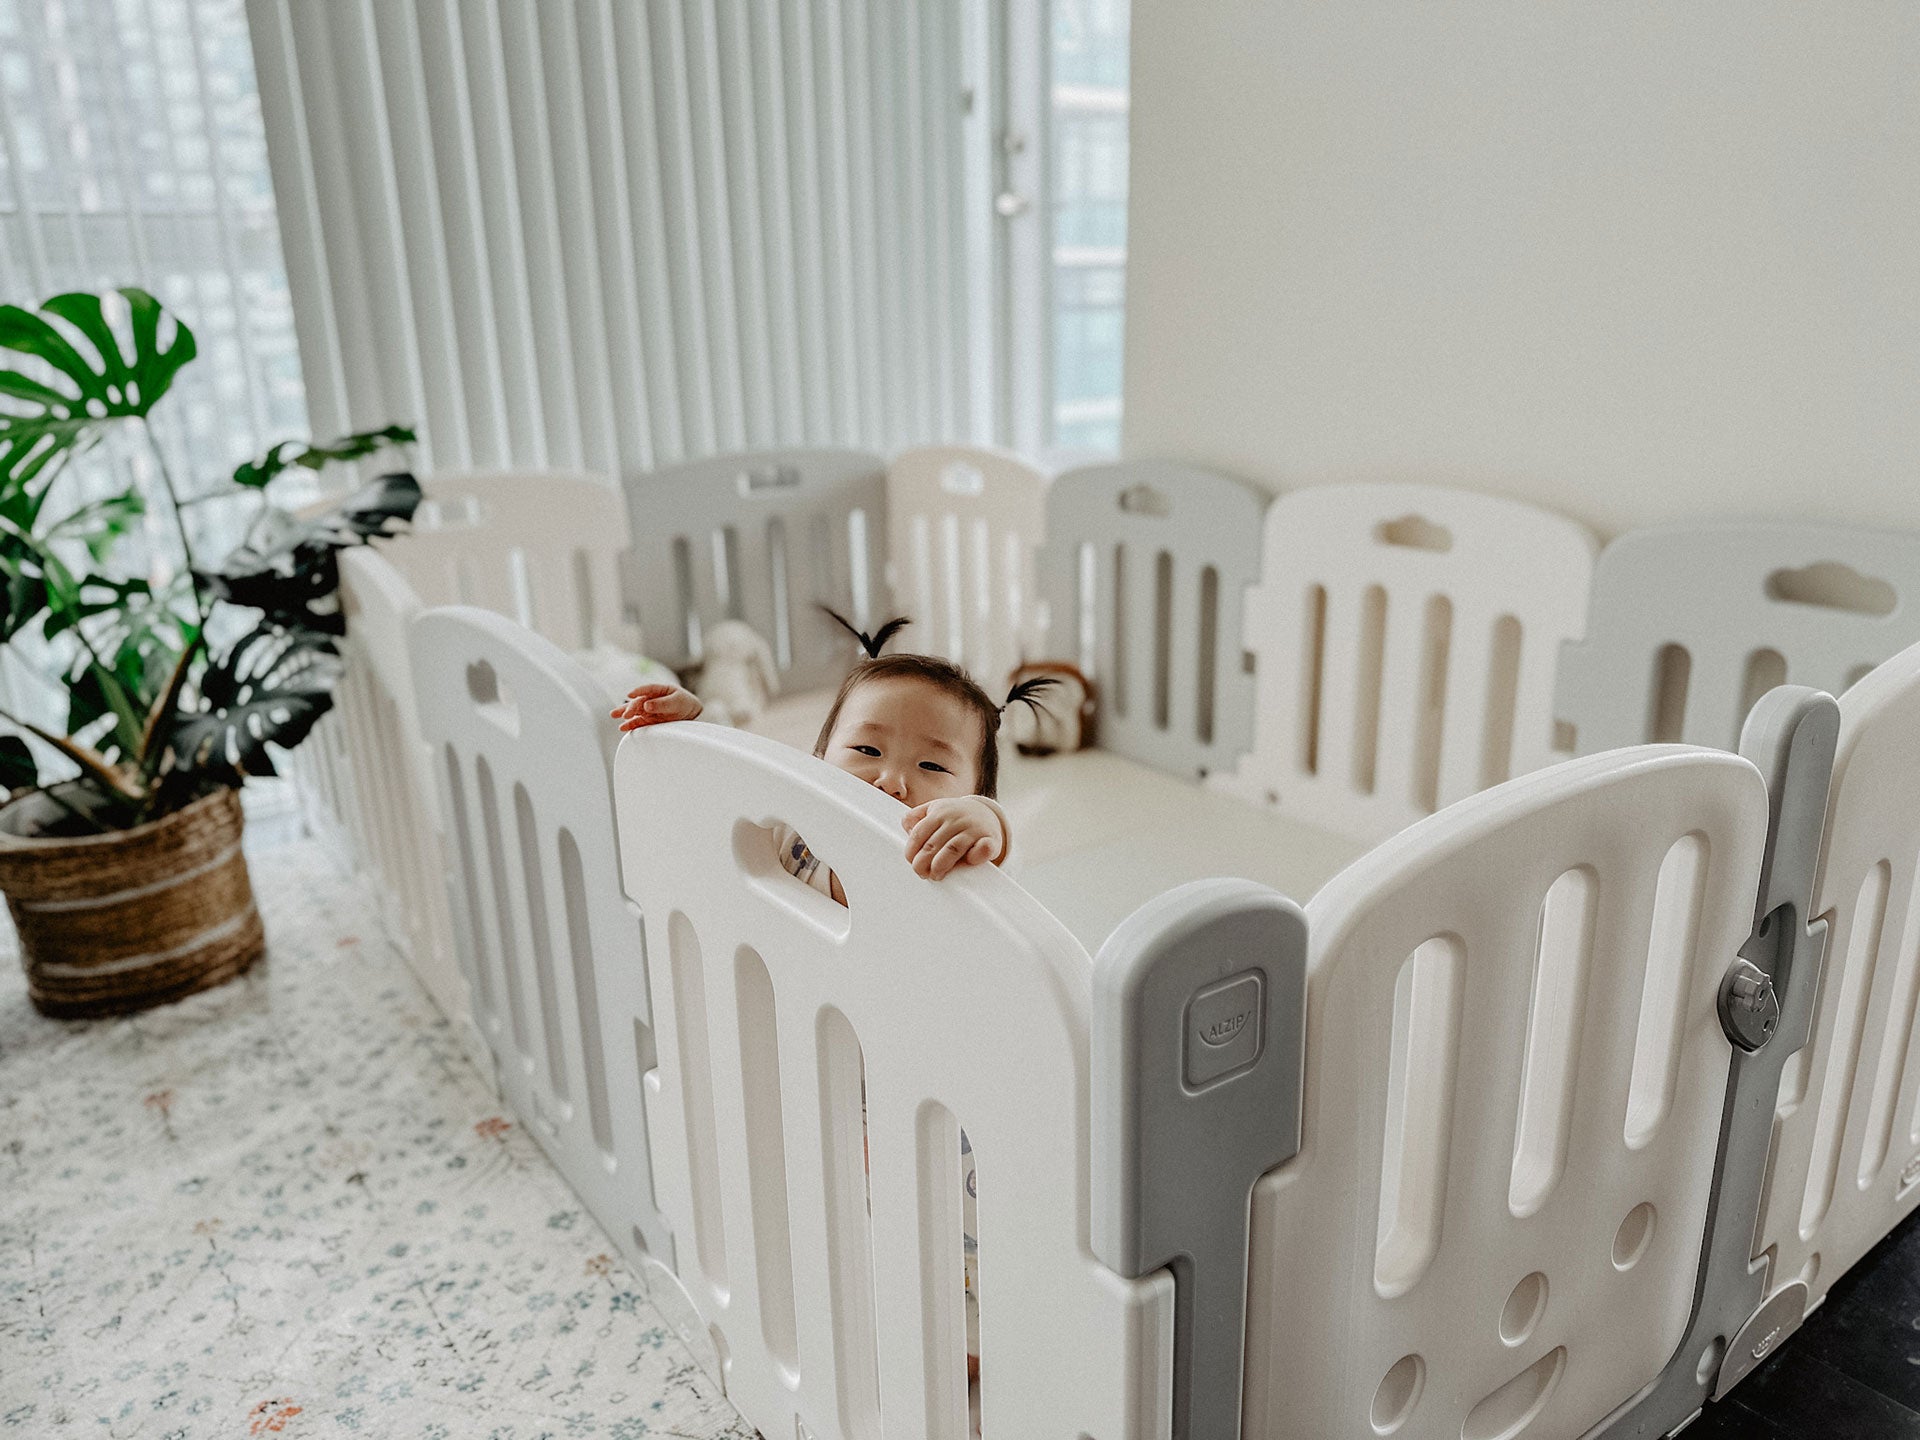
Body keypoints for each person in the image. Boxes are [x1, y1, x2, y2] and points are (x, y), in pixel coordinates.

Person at [611, 611, 1054, 1391]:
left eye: (933, 766)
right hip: (824, 1088)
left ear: (970, 792)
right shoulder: (793, 842)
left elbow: (1001, 876)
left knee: (959, 1232)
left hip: (935, 1103)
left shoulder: (948, 870)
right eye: (867, 749)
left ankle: (974, 1338)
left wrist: (986, 825)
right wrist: (693, 734)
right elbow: (729, 797)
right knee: (839, 1218)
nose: (891, 779)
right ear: (816, 759)